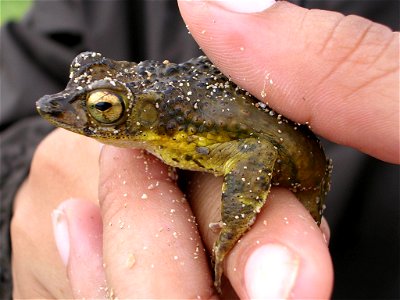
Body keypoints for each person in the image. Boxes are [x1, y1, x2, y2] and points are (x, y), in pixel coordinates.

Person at [1, 0, 398, 298]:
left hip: (301, 173)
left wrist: (234, 220)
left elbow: (256, 153)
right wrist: (14, 193)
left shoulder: (186, 140)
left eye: (103, 109)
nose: (58, 106)